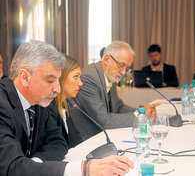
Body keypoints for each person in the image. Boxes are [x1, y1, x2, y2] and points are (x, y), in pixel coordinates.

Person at [0, 40, 133, 176]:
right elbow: (12, 167)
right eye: (50, 81)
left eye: (58, 80)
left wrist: (34, 165)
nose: (58, 89)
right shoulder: (3, 104)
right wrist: (84, 169)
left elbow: (57, 142)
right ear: (25, 77)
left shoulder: (38, 101)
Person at [74, 40, 159, 140]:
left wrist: (141, 111)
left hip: (102, 136)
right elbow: (103, 121)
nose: (123, 72)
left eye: (127, 68)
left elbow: (118, 107)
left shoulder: (109, 74)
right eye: (121, 65)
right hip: (86, 141)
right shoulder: (88, 78)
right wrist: (140, 118)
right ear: (106, 59)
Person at [48, 56, 84, 149]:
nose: (80, 83)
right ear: (61, 77)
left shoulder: (66, 104)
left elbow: (76, 141)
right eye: (75, 77)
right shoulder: (47, 109)